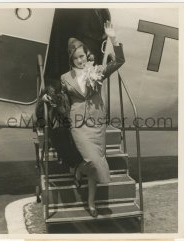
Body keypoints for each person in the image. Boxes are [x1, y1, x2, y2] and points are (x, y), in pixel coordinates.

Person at [59, 20, 125, 217]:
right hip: (79, 125)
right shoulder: (65, 78)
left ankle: (91, 203)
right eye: (76, 58)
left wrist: (113, 38)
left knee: (94, 161)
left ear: (86, 55)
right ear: (71, 59)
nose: (80, 60)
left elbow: (119, 61)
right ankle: (80, 168)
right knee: (92, 160)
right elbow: (65, 100)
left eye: (82, 56)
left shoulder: (96, 71)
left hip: (96, 124)